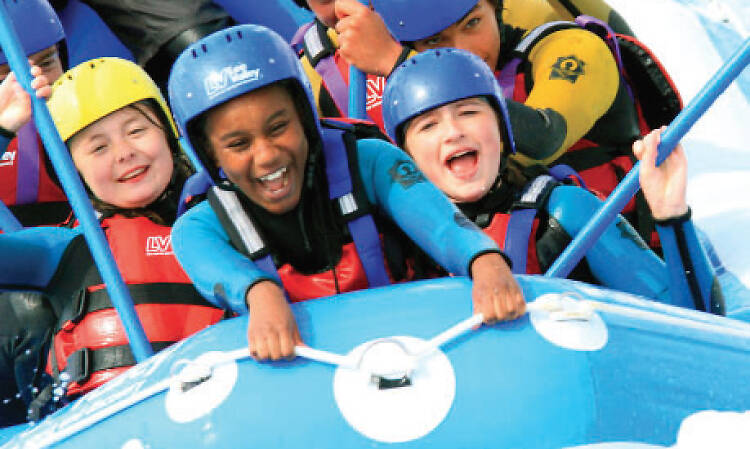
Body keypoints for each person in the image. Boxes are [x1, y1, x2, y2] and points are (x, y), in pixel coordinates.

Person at [167, 24, 525, 362]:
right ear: (209, 156)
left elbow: (443, 227)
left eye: (279, 127)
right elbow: (205, 257)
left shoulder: (370, 161)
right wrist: (260, 294)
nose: (267, 155)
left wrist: (483, 260)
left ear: (306, 117)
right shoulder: (198, 228)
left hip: (415, 350)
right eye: (239, 144)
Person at [381, 48, 723, 315]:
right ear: (406, 156)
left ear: (501, 129)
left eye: (469, 112)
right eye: (428, 126)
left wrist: (671, 214)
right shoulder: (398, 242)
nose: (454, 132)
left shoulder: (565, 212)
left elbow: (701, 320)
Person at [0, 57, 225, 420]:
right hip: (103, 425)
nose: (124, 153)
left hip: (214, 409)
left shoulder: (230, 216)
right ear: (75, 173)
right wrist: (2, 130)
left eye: (137, 131)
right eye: (98, 148)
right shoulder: (65, 249)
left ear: (168, 136)